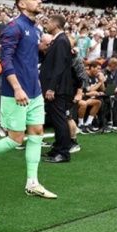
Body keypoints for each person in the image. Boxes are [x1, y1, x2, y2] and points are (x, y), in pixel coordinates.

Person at [0, 0, 57, 199]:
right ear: (22, 4)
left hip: (34, 92)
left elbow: (28, 59)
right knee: (15, 139)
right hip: (16, 92)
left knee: (37, 132)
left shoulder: (35, 29)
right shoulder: (14, 27)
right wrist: (17, 88)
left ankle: (32, 183)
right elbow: (5, 60)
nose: (39, 1)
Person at [40, 14, 73, 163]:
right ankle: (57, 148)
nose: (46, 25)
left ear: (55, 25)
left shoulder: (61, 40)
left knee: (59, 120)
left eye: (48, 23)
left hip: (57, 89)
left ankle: (63, 153)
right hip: (56, 88)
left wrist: (52, 88)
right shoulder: (60, 40)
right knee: (56, 119)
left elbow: (59, 66)